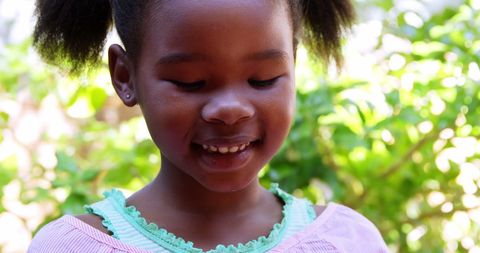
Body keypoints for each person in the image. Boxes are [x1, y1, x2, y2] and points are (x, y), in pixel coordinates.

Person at [28, 0, 389, 252]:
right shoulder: (72, 246)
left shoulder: (347, 241)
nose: (230, 110)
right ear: (125, 76)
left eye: (263, 79)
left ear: (293, 63)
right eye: (190, 82)